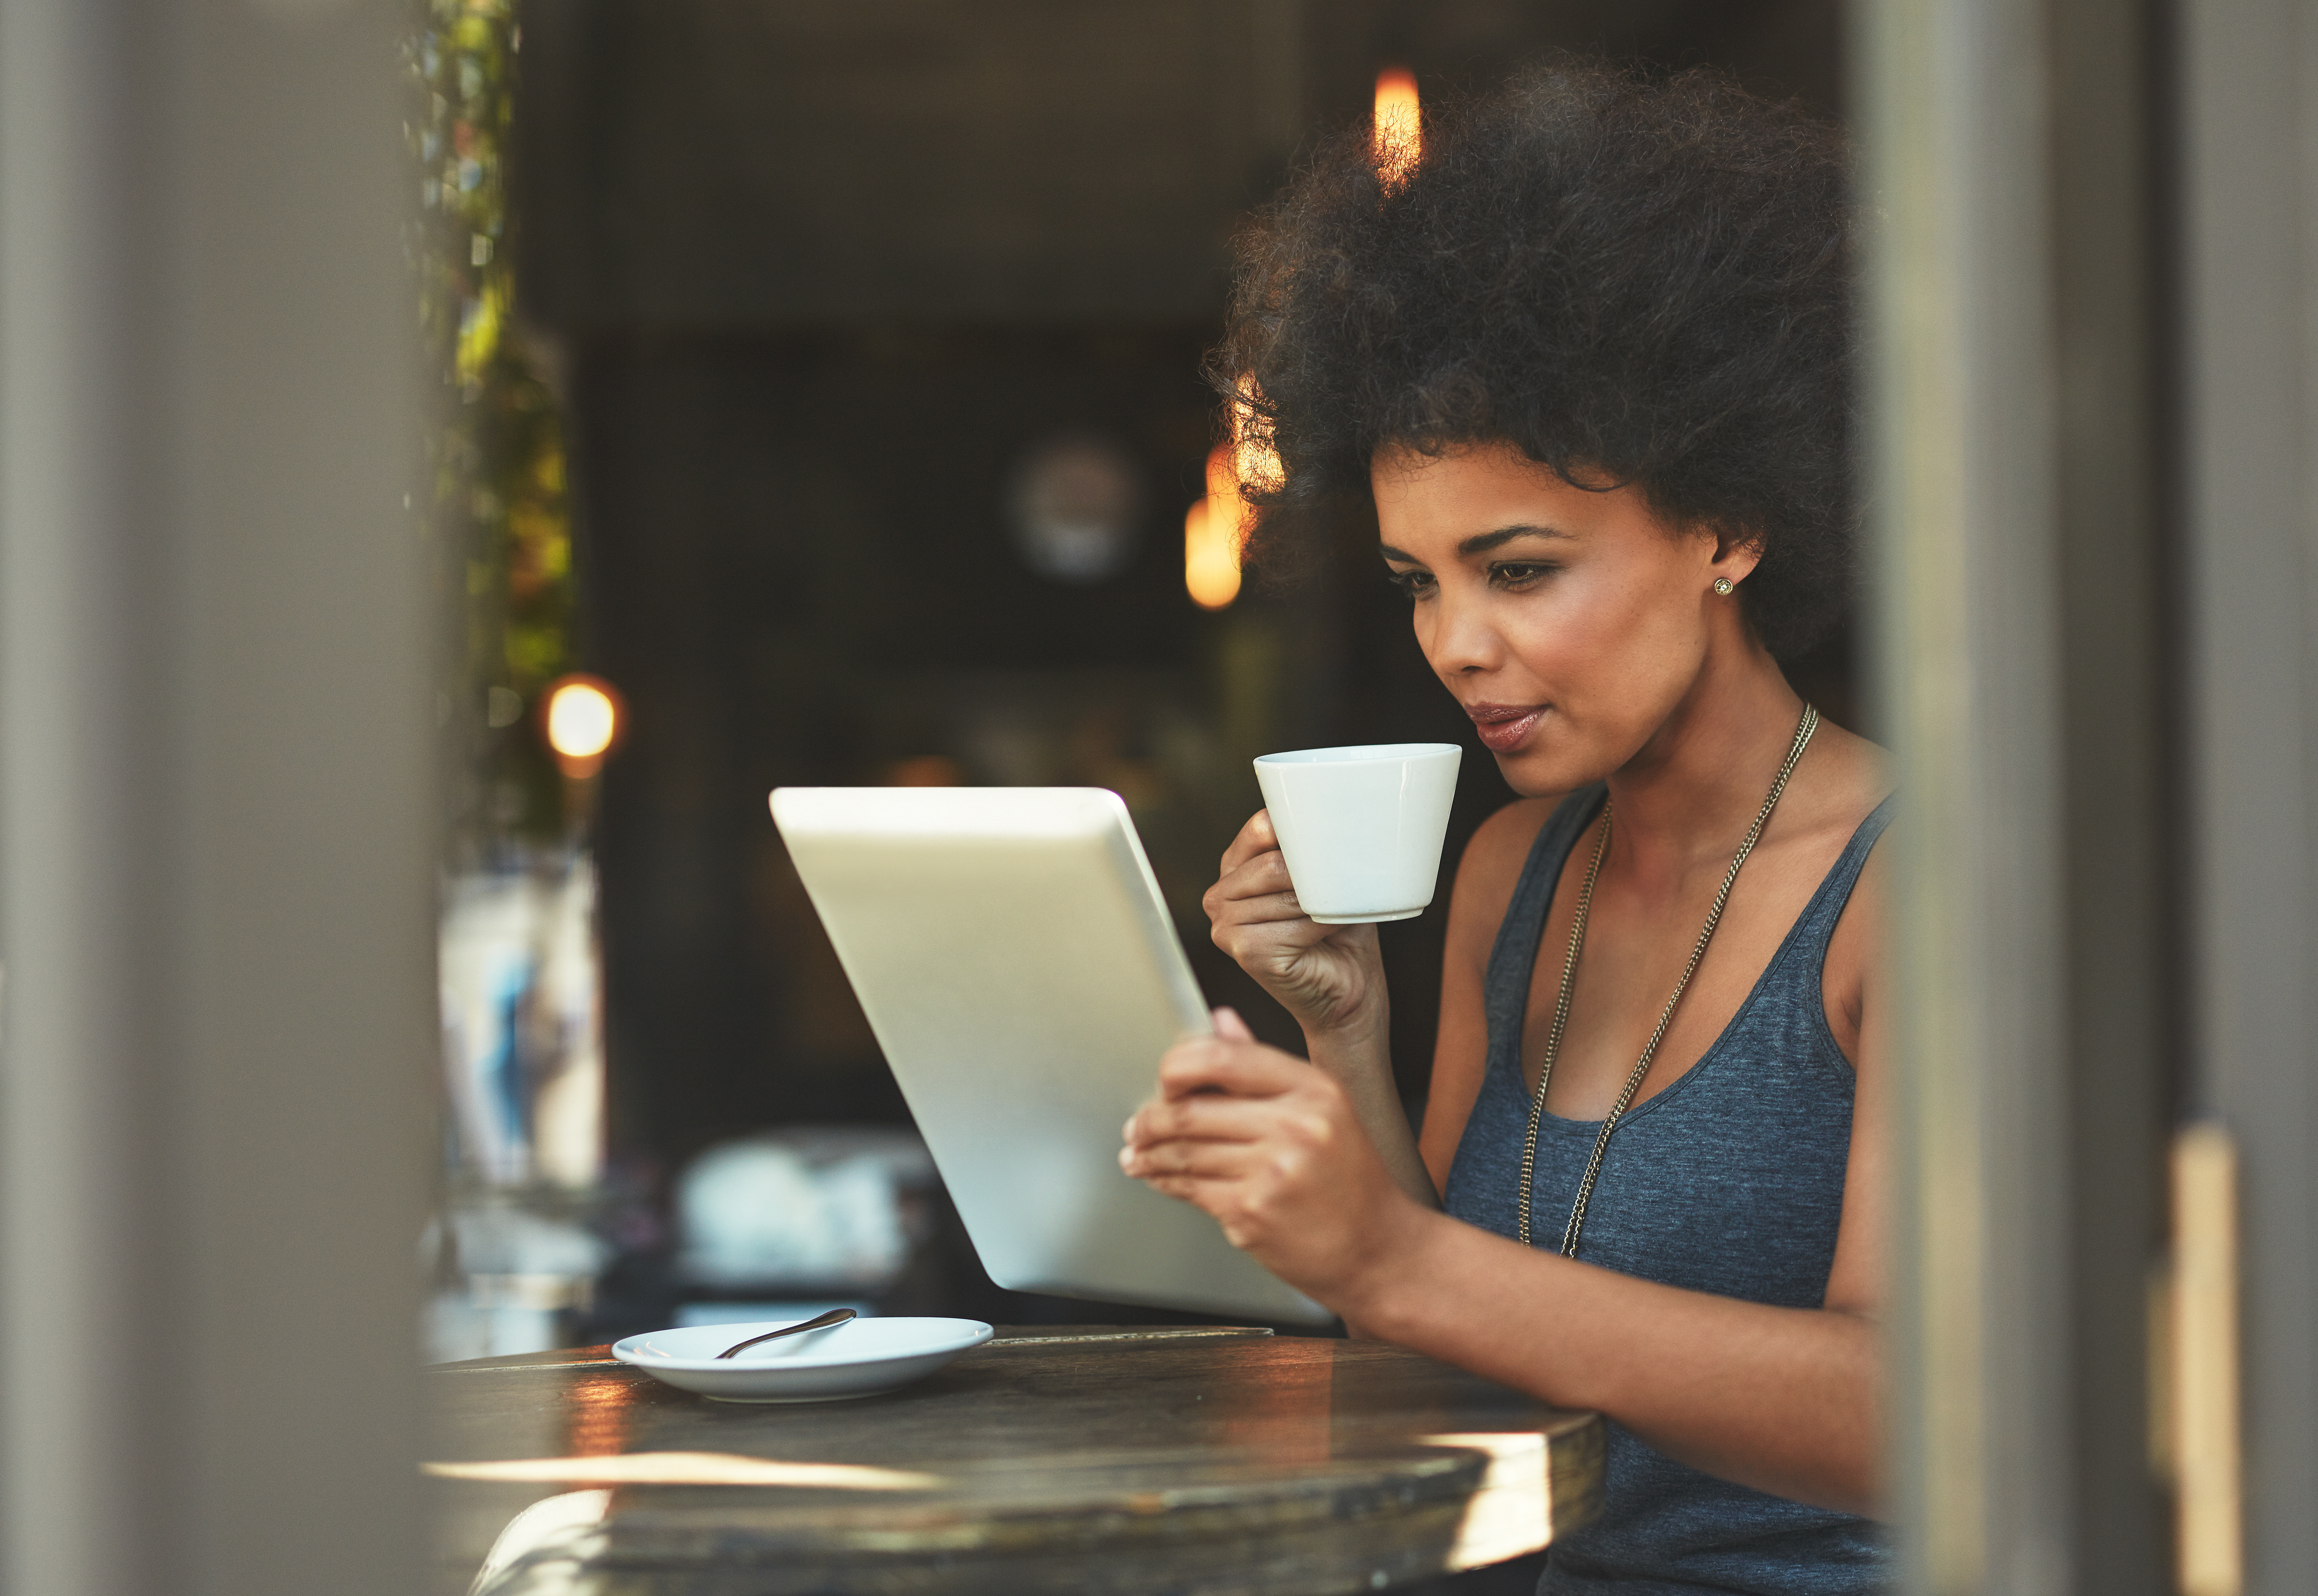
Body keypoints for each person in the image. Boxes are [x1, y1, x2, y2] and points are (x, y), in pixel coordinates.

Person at [1119, 61, 1892, 1594]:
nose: (1455, 643)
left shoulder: (1912, 888)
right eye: (1419, 579)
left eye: (1519, 569)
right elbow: (1440, 1351)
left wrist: (1386, 1253)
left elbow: (1918, 1414)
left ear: (1727, 524)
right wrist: (1340, 1037)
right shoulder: (1512, 876)